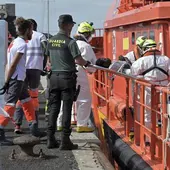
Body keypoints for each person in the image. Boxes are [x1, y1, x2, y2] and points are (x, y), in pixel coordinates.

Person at [46, 14, 91, 149]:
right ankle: (65, 141)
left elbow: (48, 61)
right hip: (67, 78)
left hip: (53, 78)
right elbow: (78, 60)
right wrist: (87, 63)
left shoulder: (50, 41)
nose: (72, 27)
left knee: (54, 108)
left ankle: (50, 139)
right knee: (66, 108)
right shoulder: (70, 42)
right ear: (66, 25)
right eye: (71, 24)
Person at [0, 17, 44, 145]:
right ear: (27, 30)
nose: (32, 33)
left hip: (19, 78)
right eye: (31, 31)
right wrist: (7, 81)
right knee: (10, 105)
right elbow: (13, 64)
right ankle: (0, 130)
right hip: (16, 79)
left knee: (27, 101)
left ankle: (33, 127)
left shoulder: (14, 42)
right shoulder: (22, 45)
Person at [131, 39, 170, 140]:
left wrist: (145, 78)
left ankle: (147, 139)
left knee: (146, 112)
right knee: (164, 112)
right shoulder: (166, 59)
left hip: (147, 89)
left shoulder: (140, 61)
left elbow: (133, 75)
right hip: (164, 88)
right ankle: (166, 135)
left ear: (144, 49)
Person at [13, 19, 47, 134]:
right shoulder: (40, 36)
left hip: (23, 69)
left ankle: (17, 125)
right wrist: (44, 65)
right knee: (33, 96)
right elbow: (46, 49)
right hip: (35, 68)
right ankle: (34, 123)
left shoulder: (19, 39)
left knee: (20, 98)